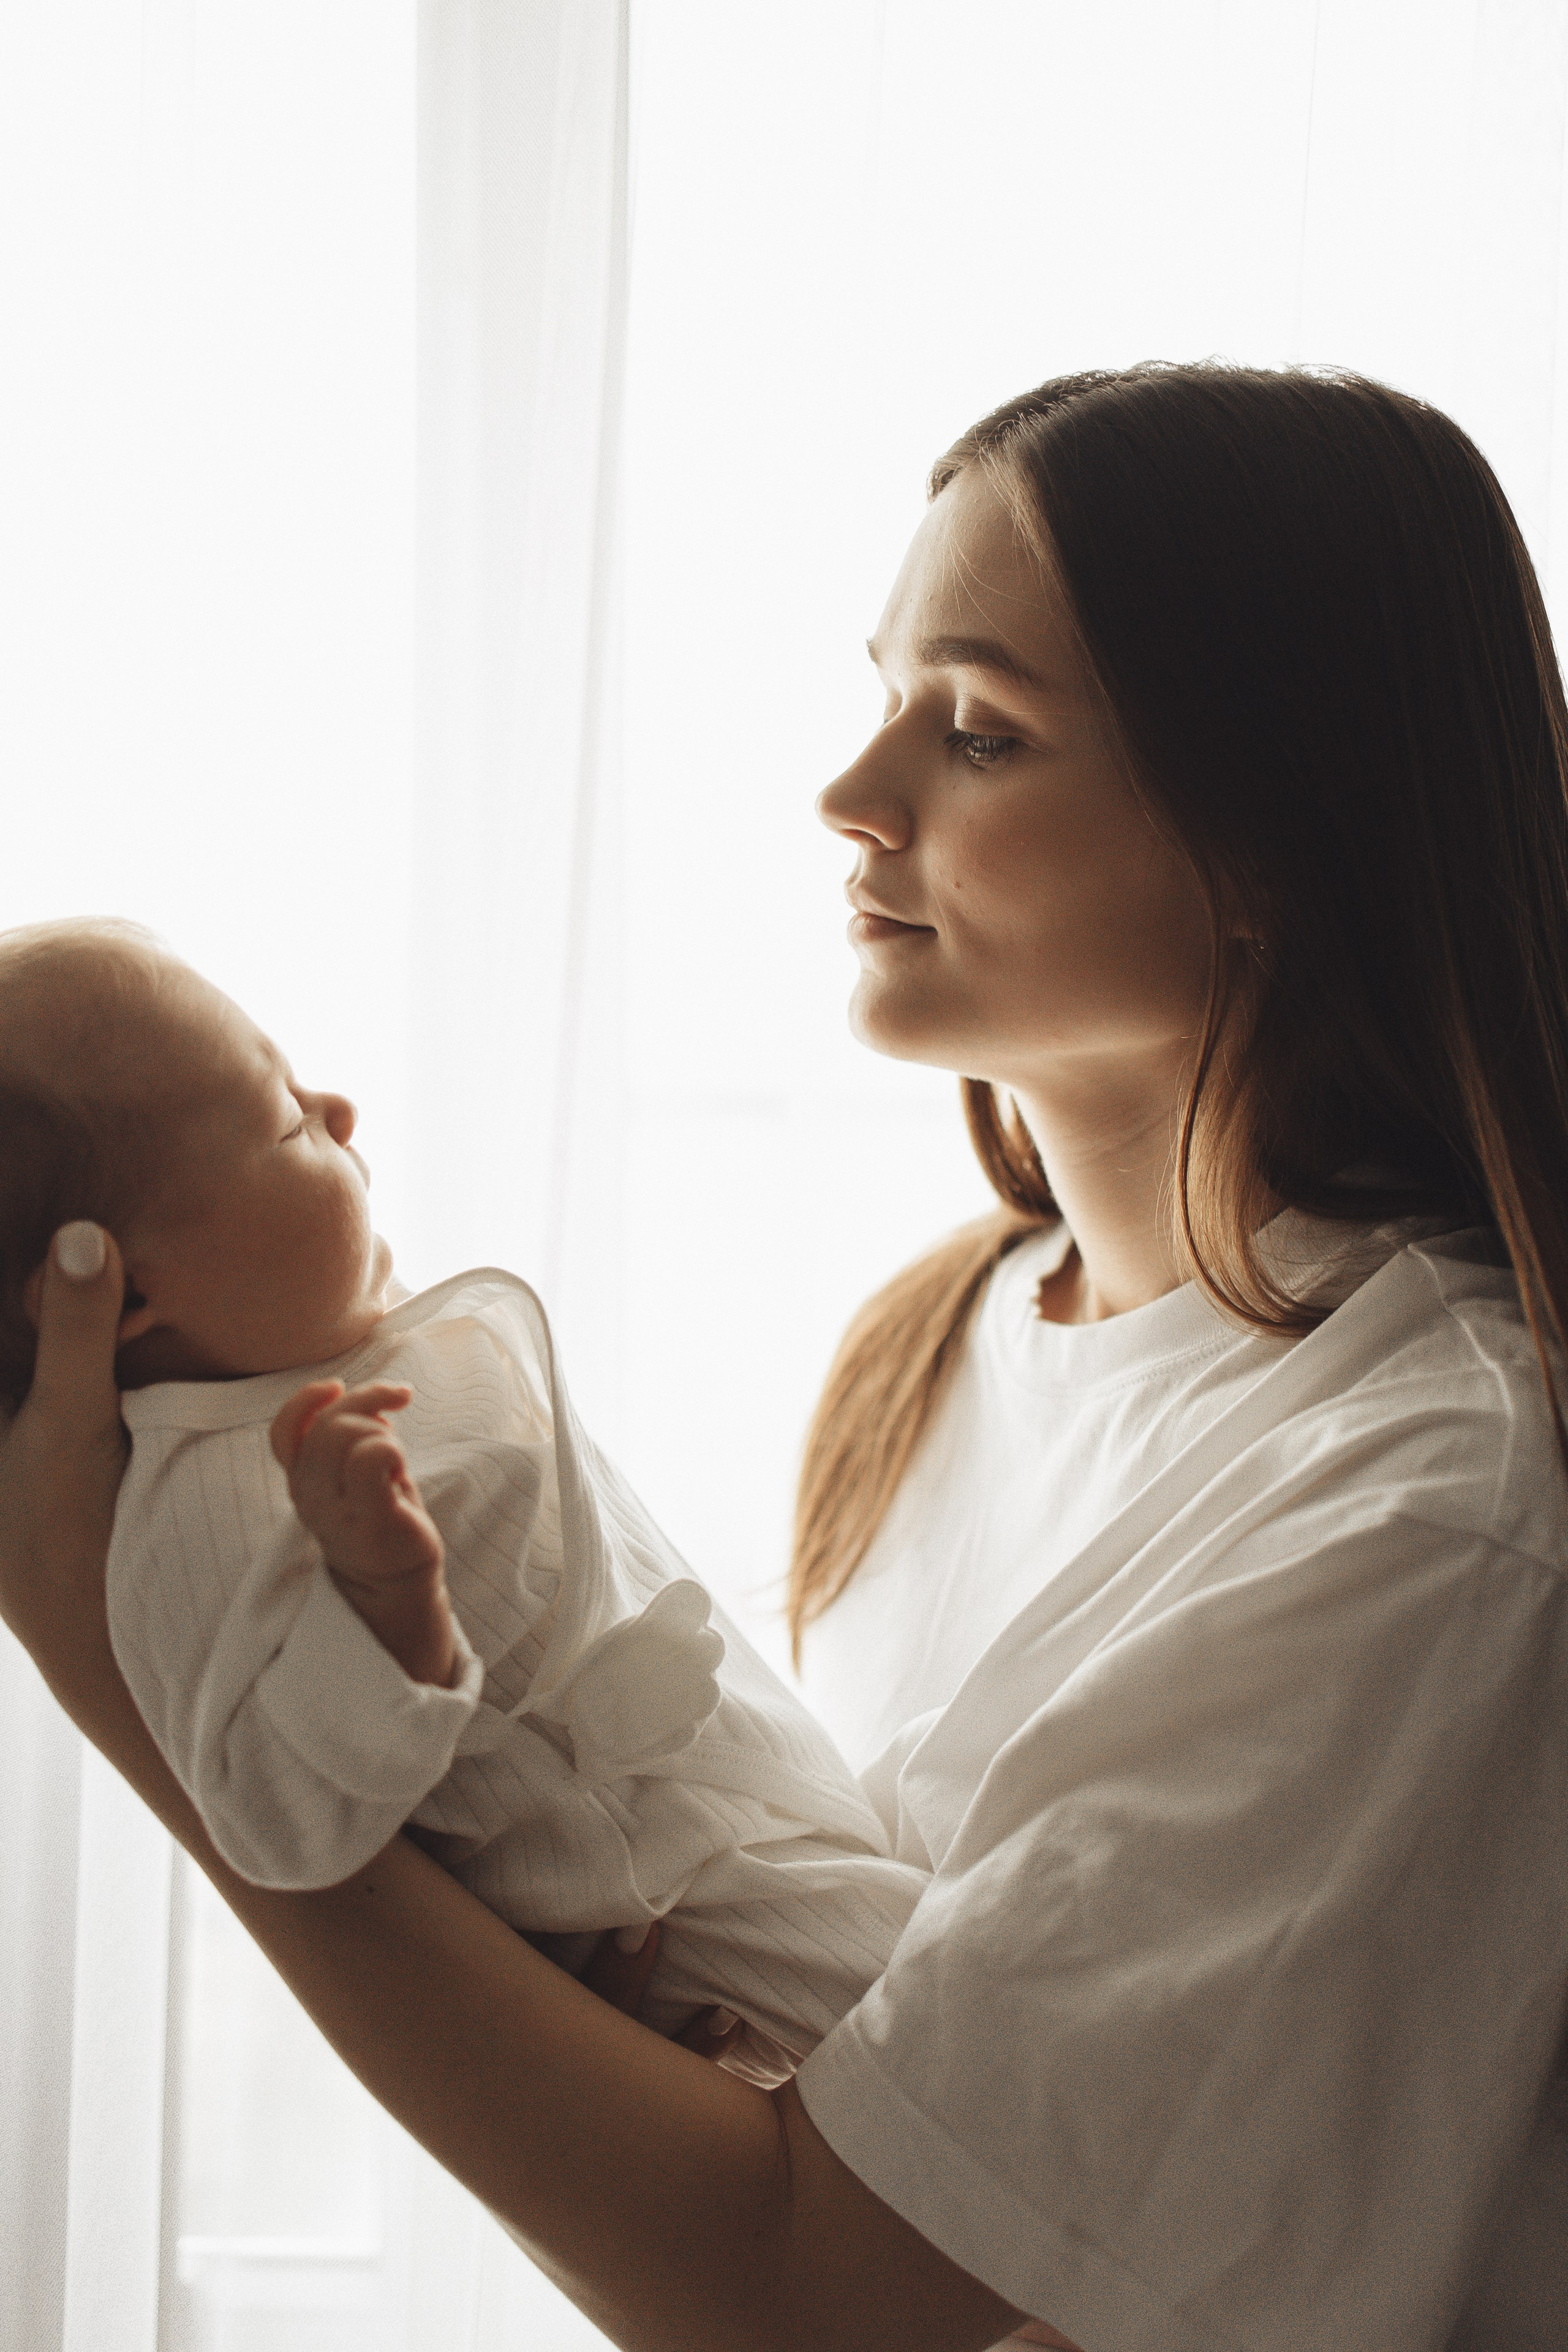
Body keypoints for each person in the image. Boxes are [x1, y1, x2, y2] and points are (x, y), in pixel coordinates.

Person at [5, 360, 1568, 2351]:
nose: (854, 792)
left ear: (1275, 836)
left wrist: (135, 1697)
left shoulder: (1436, 1494)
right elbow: (724, 2190)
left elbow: (812, 2292)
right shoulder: (933, 1350)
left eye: (979, 729)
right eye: (888, 694)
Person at [0, 921, 927, 2084]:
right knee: (974, 2051)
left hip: (783, 1833)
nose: (338, 1110)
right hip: (704, 1920)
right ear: (127, 1291)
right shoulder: (197, 1505)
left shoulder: (326, 1363)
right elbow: (277, 1821)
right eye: (287, 1121)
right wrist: (385, 1607)